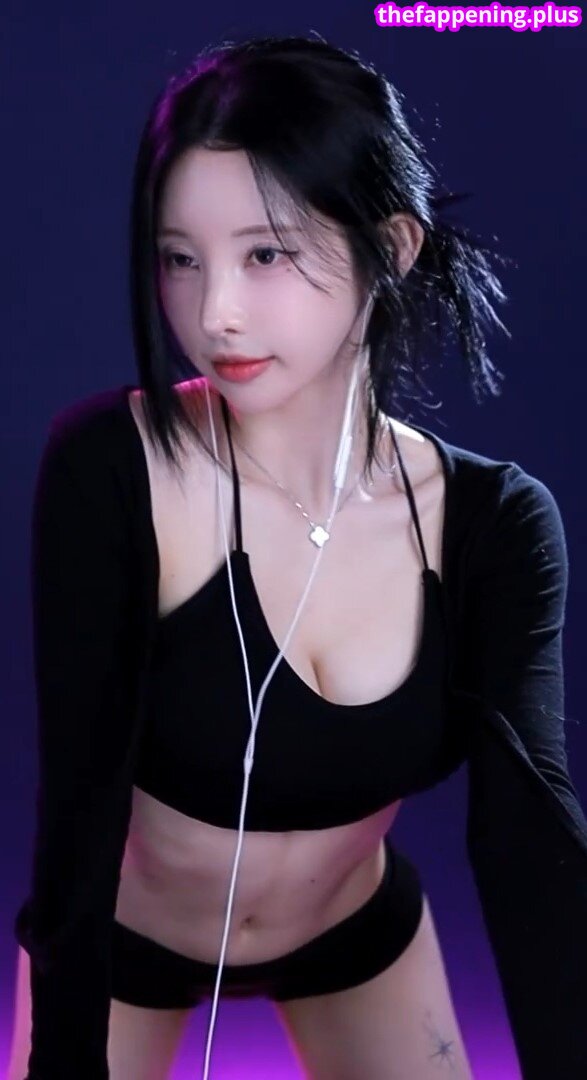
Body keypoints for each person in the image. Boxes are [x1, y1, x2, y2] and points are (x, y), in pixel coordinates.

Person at [8, 32, 587, 1080]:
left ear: (391, 247)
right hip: (120, 947)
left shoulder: (491, 523)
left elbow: (526, 847)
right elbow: (76, 825)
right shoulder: (113, 470)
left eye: (265, 254)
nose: (213, 312)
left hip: (356, 941)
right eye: (180, 258)